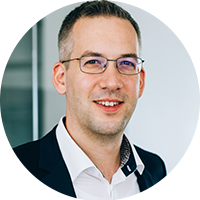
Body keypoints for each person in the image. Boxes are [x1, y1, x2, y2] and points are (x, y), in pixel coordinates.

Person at [0, 0, 167, 199]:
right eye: (93, 62)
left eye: (126, 63)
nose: (112, 82)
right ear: (61, 78)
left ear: (140, 82)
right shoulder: (6, 177)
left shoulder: (154, 170)